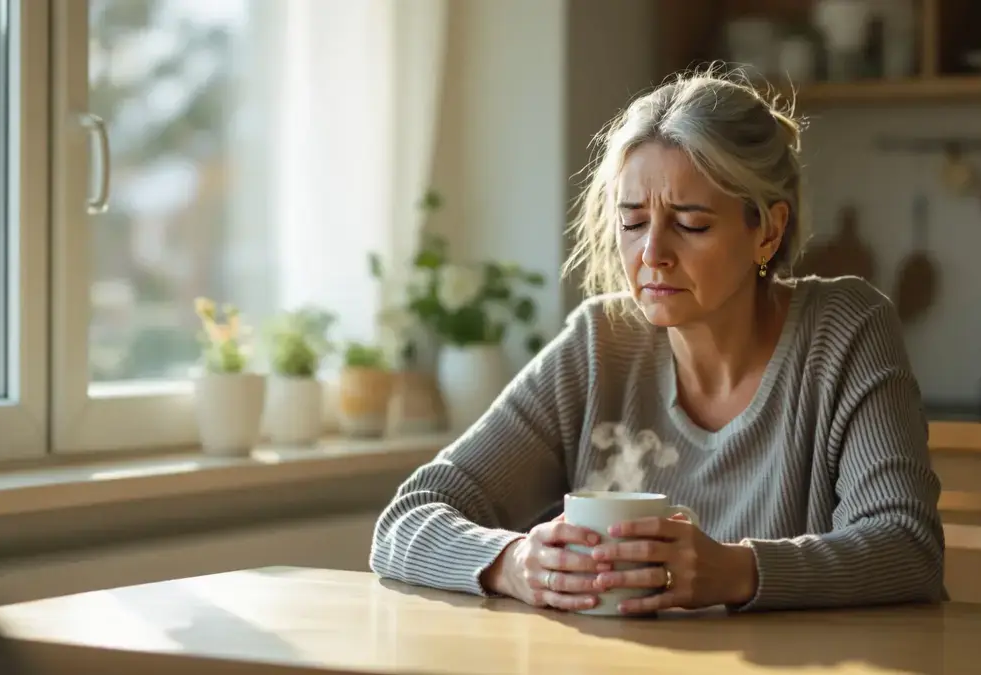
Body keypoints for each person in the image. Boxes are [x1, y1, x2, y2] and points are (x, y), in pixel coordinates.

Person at [370, 69, 944, 615]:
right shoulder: (600, 344)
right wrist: (514, 562)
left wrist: (736, 571)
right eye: (632, 222)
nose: (651, 255)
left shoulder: (845, 330)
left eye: (691, 224)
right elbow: (406, 519)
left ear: (767, 230)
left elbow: (907, 547)